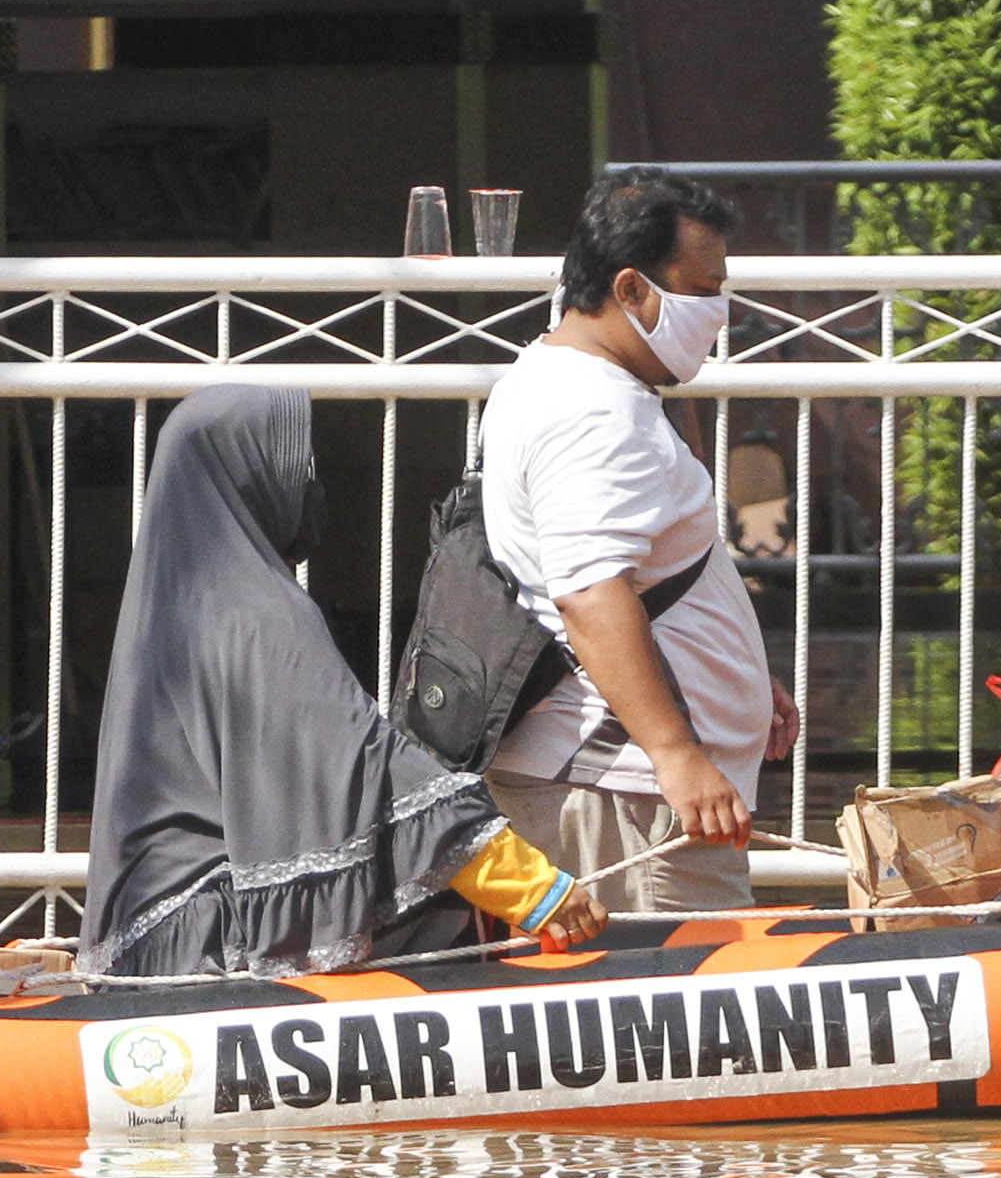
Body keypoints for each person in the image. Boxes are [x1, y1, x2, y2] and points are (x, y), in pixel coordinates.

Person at [81, 384, 598, 980]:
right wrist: (531, 888)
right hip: (208, 945)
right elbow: (365, 767)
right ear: (247, 477)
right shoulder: (255, 616)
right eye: (297, 470)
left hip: (158, 931)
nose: (313, 489)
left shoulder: (173, 603)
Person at [478, 171, 804, 912]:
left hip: (627, 783)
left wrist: (742, 689)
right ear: (630, 290)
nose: (719, 314)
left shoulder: (562, 381)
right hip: (622, 794)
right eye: (703, 290)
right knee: (672, 1017)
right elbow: (590, 593)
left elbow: (647, 573)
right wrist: (676, 753)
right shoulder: (593, 412)